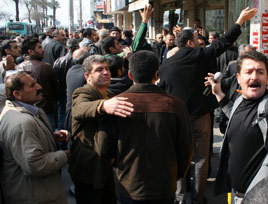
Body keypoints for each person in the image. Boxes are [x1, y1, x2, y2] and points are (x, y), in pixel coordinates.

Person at [158, 7, 257, 204]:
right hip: (200, 117)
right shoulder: (197, 55)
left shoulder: (165, 66)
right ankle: (198, 197)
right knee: (201, 159)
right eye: (196, 40)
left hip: (177, 119)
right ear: (189, 43)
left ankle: (179, 199)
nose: (199, 42)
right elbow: (223, 42)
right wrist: (239, 20)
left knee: (180, 157)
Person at [94, 50, 193, 204]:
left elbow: (103, 148)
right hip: (165, 184)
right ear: (156, 75)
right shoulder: (175, 105)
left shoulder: (115, 104)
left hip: (129, 184)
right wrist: (179, 173)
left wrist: (120, 164)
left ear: (130, 75)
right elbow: (186, 147)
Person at [205, 51, 268, 204]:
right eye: (248, 72)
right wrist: (219, 95)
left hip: (259, 199)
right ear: (238, 78)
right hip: (235, 194)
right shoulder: (239, 101)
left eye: (260, 72)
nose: (254, 77)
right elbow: (238, 118)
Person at [69, 55, 134, 204]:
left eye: (107, 68)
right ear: (87, 76)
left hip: (105, 167)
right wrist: (102, 106)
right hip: (88, 169)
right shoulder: (83, 92)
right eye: (99, 70)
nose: (106, 72)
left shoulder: (109, 94)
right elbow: (79, 109)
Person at [0, 71, 70, 204]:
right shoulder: (22, 122)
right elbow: (35, 165)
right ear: (17, 94)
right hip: (36, 196)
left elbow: (24, 145)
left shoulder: (22, 113)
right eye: (32, 86)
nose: (39, 87)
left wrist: (49, 136)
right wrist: (64, 156)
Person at [16, 37, 59, 129]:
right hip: (45, 111)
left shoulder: (18, 68)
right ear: (30, 51)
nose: (43, 50)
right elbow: (56, 91)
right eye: (39, 47)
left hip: (28, 110)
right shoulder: (45, 67)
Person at [53, 38, 80, 129]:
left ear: (67, 48)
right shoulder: (79, 61)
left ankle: (62, 134)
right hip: (72, 92)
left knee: (62, 115)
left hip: (62, 92)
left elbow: (55, 79)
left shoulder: (59, 61)